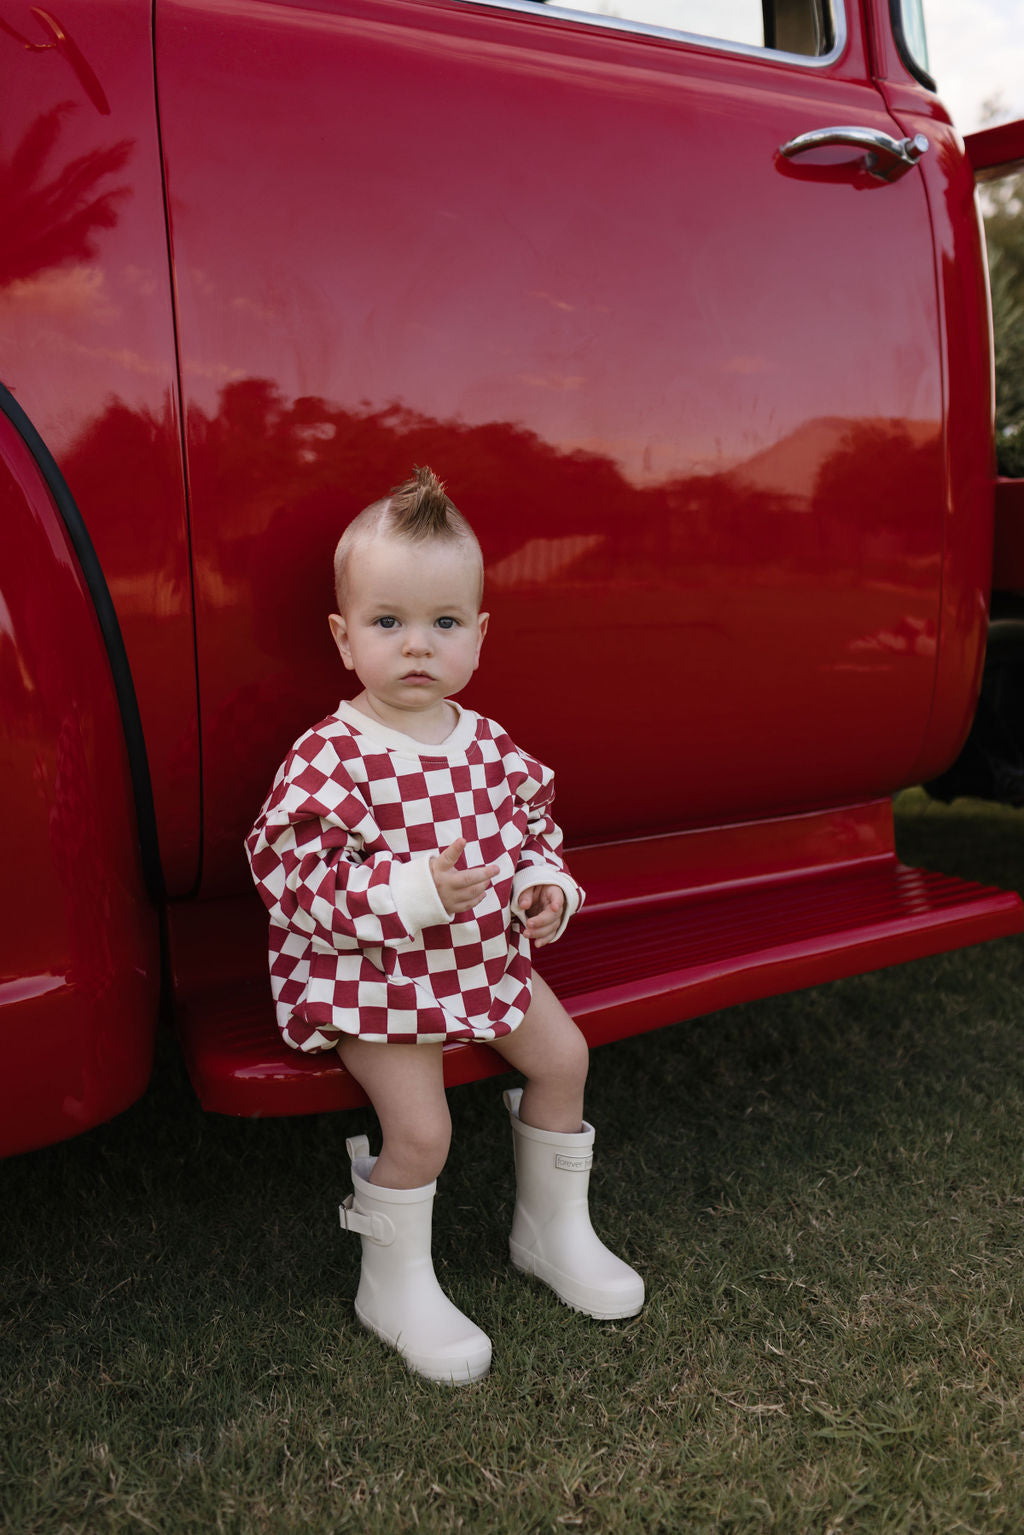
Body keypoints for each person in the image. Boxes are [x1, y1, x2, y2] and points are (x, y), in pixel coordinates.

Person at [246, 466, 643, 1383]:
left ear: (478, 635)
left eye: (444, 623)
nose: (417, 646)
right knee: (422, 1131)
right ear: (346, 639)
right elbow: (288, 871)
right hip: (369, 973)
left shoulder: (489, 743)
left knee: (565, 1057)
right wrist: (412, 892)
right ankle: (392, 1285)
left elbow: (536, 824)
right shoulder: (333, 753)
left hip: (478, 957)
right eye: (389, 623)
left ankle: (552, 1231)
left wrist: (544, 884)